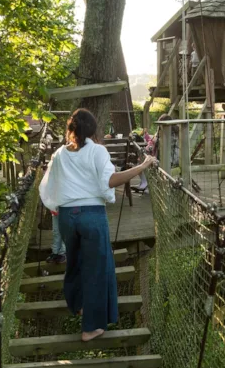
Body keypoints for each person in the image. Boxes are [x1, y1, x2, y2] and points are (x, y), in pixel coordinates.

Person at [39, 109, 155, 342]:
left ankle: (79, 304)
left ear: (71, 130)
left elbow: (48, 182)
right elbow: (110, 181)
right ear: (93, 129)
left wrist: (55, 205)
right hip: (91, 216)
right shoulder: (98, 151)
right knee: (97, 268)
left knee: (75, 262)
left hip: (66, 217)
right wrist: (143, 166)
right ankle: (91, 327)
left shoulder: (60, 153)